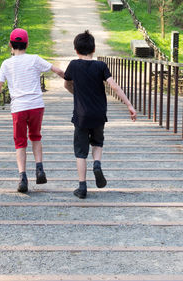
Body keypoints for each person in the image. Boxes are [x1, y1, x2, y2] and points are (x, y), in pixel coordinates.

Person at [64, 30, 137, 199]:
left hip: (81, 116)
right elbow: (114, 86)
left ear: (75, 50)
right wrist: (129, 105)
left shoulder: (73, 65)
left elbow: (67, 83)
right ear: (94, 49)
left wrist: (75, 92)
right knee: (97, 142)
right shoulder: (101, 66)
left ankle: (82, 187)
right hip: (98, 114)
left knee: (81, 151)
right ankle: (97, 164)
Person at [0, 28, 65, 193]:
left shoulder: (6, 63)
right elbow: (58, 71)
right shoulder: (34, 59)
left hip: (19, 108)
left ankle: (22, 177)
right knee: (36, 137)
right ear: (27, 44)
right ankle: (39, 168)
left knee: (20, 142)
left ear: (10, 44)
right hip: (36, 105)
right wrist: (74, 81)